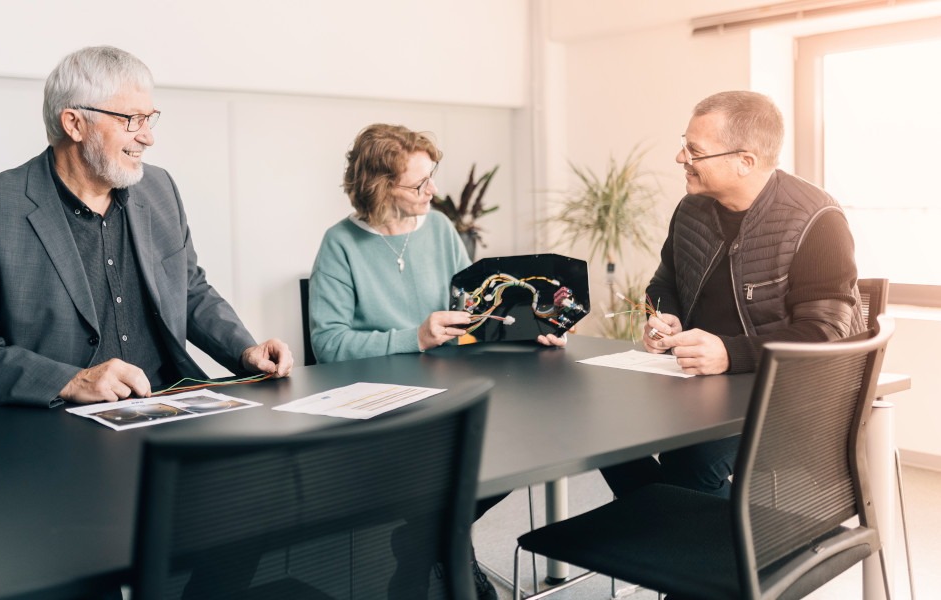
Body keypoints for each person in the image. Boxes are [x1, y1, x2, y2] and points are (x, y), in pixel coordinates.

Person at [0, 46, 292, 409]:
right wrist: (71, 381)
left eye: (150, 118)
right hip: (57, 427)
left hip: (168, 407)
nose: (147, 136)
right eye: (131, 120)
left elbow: (189, 289)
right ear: (75, 124)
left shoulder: (159, 189)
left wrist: (244, 349)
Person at [309, 124, 565, 600]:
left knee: (525, 446)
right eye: (418, 184)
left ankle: (423, 546)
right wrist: (415, 337)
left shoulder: (441, 228)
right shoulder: (340, 244)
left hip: (452, 387)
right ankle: (451, 564)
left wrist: (531, 330)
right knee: (445, 470)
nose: (433, 191)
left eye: (432, 177)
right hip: (381, 402)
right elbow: (329, 345)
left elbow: (477, 311)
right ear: (378, 187)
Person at [601, 90, 864, 499]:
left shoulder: (818, 219)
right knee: (606, 430)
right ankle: (679, 533)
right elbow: (663, 283)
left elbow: (825, 334)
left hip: (790, 393)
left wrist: (729, 353)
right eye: (683, 144)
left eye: (694, 150)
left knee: (692, 462)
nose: (680, 158)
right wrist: (664, 315)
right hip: (702, 387)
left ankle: (704, 549)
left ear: (745, 162)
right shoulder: (691, 210)